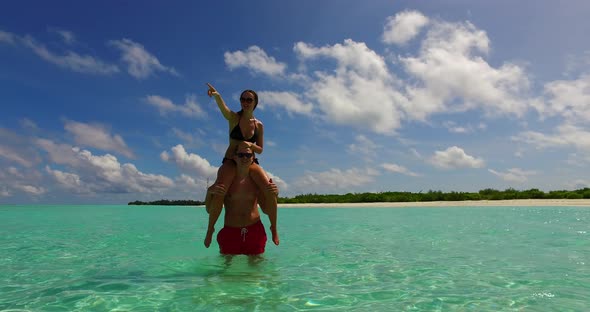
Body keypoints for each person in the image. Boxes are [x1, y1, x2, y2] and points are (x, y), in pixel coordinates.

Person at [205, 83, 279, 247]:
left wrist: (249, 145)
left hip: (250, 160)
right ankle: (210, 229)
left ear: (255, 103)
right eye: (243, 99)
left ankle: (274, 227)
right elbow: (224, 109)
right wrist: (217, 96)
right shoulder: (234, 118)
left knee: (270, 189)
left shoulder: (258, 125)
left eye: (249, 100)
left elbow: (259, 150)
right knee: (220, 190)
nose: (245, 102)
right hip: (231, 160)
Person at [204, 142, 278, 255]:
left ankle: (274, 228)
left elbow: (266, 210)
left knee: (256, 271)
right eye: (241, 155)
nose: (244, 158)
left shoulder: (256, 181)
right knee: (227, 271)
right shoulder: (226, 180)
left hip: (254, 231)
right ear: (234, 157)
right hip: (230, 231)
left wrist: (274, 194)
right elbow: (209, 209)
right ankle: (210, 231)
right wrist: (209, 192)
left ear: (252, 158)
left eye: (248, 155)